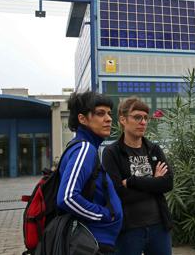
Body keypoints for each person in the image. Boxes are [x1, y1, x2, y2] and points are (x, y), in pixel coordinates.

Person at [102, 97, 173, 255]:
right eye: (137, 117)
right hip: (129, 230)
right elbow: (118, 192)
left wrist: (133, 181)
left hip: (159, 227)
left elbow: (168, 183)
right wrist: (154, 182)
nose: (143, 122)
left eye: (145, 118)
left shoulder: (154, 149)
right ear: (123, 120)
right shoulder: (111, 153)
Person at [57, 91, 123, 254]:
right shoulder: (84, 149)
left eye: (109, 113)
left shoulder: (85, 147)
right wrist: (104, 216)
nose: (108, 118)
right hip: (92, 244)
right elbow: (68, 197)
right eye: (100, 113)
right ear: (82, 119)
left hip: (95, 241)